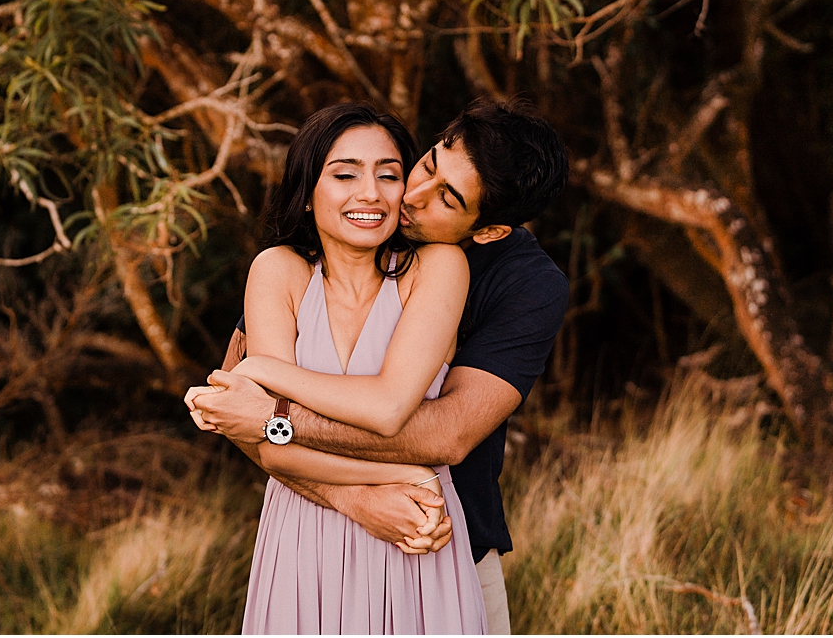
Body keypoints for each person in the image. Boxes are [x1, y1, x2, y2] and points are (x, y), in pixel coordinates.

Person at [191, 97, 569, 634]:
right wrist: (356, 499)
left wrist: (277, 411)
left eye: (447, 198)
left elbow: (446, 435)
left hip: (434, 536)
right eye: (428, 165)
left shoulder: (517, 282)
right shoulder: (324, 245)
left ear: (487, 229)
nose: (409, 196)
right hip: (312, 536)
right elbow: (240, 413)